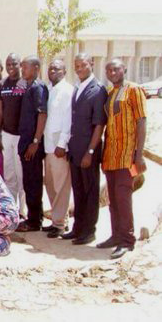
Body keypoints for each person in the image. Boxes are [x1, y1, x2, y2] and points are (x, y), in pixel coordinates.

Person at [100, 58, 147, 259]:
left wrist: (139, 154)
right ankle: (115, 235)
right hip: (111, 155)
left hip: (127, 156)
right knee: (112, 198)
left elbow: (141, 121)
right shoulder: (110, 93)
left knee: (123, 197)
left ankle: (127, 240)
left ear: (124, 69)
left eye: (116, 69)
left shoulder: (134, 90)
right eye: (109, 70)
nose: (112, 72)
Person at [64, 53, 107, 244]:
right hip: (75, 150)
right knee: (78, 190)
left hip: (88, 151)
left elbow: (99, 125)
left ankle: (89, 230)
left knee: (90, 191)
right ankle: (78, 227)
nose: (79, 68)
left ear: (91, 64)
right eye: (76, 65)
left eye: (83, 65)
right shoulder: (78, 87)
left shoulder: (98, 90)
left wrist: (90, 152)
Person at [41, 60, 74, 238]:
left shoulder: (67, 90)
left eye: (57, 68)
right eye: (51, 68)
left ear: (64, 71)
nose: (53, 71)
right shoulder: (50, 89)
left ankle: (60, 224)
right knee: (51, 183)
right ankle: (57, 219)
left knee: (61, 185)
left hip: (59, 146)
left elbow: (68, 119)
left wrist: (63, 143)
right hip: (48, 145)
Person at [16, 56, 48, 232]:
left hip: (32, 144)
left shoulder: (38, 87)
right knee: (29, 182)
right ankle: (34, 217)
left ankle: (35, 221)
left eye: (25, 67)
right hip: (25, 141)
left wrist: (35, 141)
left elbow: (42, 114)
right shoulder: (28, 86)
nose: (22, 71)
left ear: (36, 68)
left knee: (34, 182)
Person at [0, 53, 26, 212]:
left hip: (22, 136)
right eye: (8, 65)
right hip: (7, 135)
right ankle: (11, 209)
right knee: (9, 175)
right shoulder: (1, 84)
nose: (11, 68)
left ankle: (23, 211)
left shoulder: (25, 83)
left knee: (21, 175)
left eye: (14, 64)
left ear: (20, 64)